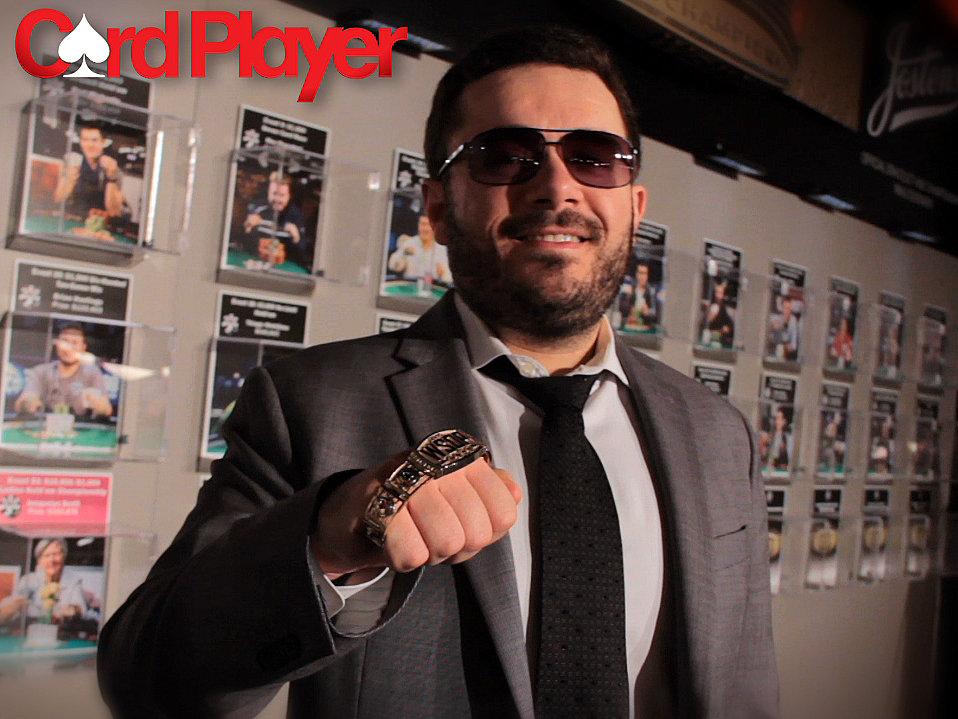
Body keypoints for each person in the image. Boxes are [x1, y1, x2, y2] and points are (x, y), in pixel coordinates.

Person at [99, 26, 777, 719]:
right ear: (437, 210)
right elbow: (148, 684)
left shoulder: (718, 432)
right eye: (506, 157)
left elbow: (746, 688)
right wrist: (328, 539)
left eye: (595, 157)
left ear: (634, 206)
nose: (556, 187)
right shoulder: (309, 404)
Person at [14, 323, 113, 418]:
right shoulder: (40, 371)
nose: (68, 348)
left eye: (75, 343)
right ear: (57, 344)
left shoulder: (92, 373)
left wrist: (99, 406)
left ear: (83, 347)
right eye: (65, 342)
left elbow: (107, 409)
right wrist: (28, 403)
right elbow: (24, 399)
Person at [0, 539, 89, 626]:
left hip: (62, 630)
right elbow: (12, 606)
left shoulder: (73, 581)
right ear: (39, 561)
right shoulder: (29, 580)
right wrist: (15, 605)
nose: (52, 560)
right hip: (32, 629)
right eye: (47, 555)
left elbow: (80, 608)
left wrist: (71, 611)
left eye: (56, 554)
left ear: (64, 557)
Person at [53, 122, 125, 220]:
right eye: (85, 140)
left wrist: (112, 178)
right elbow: (58, 198)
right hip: (72, 219)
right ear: (81, 143)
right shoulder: (73, 163)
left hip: (98, 222)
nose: (90, 145)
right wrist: (71, 177)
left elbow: (114, 212)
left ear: (103, 143)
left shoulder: (113, 168)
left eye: (94, 140)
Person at [243, 172, 310, 268]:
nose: (277, 200)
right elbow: (244, 244)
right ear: (268, 193)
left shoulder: (296, 216)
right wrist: (247, 227)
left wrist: (297, 238)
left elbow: (303, 253)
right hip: (257, 261)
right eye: (274, 194)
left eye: (282, 195)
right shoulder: (258, 208)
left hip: (285, 265)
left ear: (289, 196)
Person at [387, 214, 453, 285]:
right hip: (410, 286)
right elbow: (393, 266)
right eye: (422, 224)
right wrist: (403, 253)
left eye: (428, 225)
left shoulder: (441, 249)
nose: (425, 229)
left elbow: (449, 278)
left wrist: (443, 274)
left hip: (432, 287)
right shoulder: (409, 243)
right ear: (418, 226)